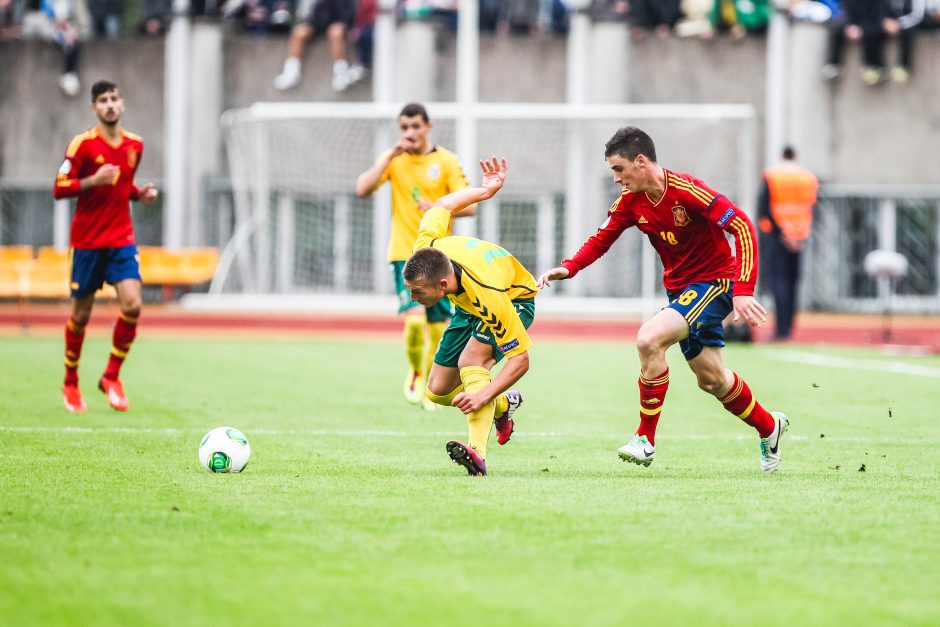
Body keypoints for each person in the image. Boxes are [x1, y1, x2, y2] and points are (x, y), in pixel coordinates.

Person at [538, 126, 789, 474]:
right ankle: (768, 426)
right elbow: (601, 238)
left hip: (714, 283)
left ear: (641, 162)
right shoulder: (630, 201)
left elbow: (743, 227)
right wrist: (569, 268)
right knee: (712, 380)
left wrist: (743, 290)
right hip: (681, 291)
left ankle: (645, 440)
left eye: (618, 169)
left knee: (648, 339)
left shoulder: (688, 191)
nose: (615, 178)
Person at [404, 157, 534, 476]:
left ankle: (476, 454)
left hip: (514, 298)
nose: (412, 297)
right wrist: (484, 191)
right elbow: (443, 205)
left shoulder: (489, 294)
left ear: (443, 285)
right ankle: (503, 407)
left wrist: (483, 394)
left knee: (472, 363)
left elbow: (521, 360)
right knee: (436, 389)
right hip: (467, 306)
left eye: (418, 291)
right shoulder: (427, 246)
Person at [355, 103, 476, 412]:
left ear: (428, 127)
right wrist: (389, 158)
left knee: (438, 329)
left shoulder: (446, 161)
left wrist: (438, 206)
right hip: (404, 255)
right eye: (404, 127)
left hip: (439, 258)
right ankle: (417, 372)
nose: (409, 133)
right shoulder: (393, 159)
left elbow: (471, 205)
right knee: (413, 322)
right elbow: (362, 189)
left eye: (415, 127)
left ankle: (431, 384)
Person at [53, 80, 159, 413]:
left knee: (133, 305)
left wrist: (138, 194)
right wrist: (92, 181)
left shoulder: (135, 145)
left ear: (122, 104)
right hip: (87, 242)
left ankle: (111, 377)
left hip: (121, 239)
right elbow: (59, 188)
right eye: (103, 100)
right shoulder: (82, 146)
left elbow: (122, 186)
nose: (110, 105)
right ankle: (71, 384)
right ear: (94, 107)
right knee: (80, 316)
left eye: (114, 98)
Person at [758, 146, 819, 341]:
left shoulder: (772, 175)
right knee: (793, 282)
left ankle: (781, 329)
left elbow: (764, 208)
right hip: (800, 236)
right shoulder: (807, 178)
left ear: (781, 156)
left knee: (779, 281)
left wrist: (781, 232)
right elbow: (811, 206)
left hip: (778, 236)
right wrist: (798, 234)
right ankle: (789, 327)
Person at [272, 0, 364, 91]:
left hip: (339, 24)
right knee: (299, 32)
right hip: (318, 24)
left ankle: (341, 73)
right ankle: (291, 72)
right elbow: (311, 16)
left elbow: (348, 15)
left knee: (336, 32)